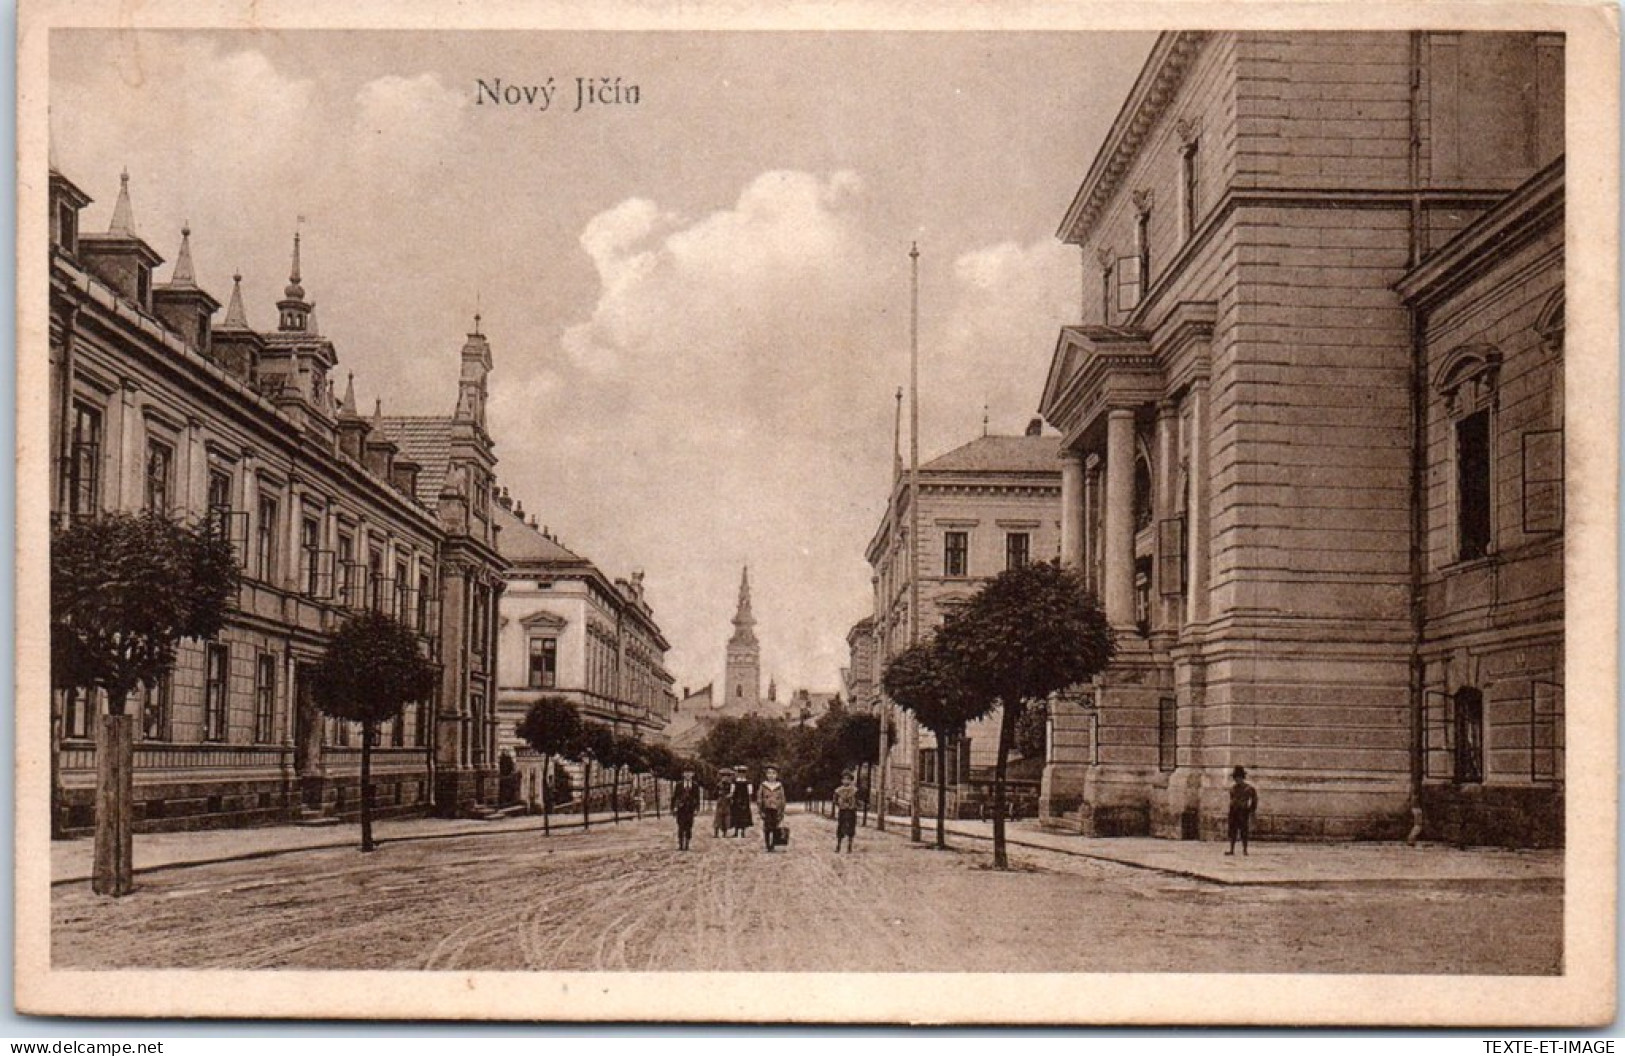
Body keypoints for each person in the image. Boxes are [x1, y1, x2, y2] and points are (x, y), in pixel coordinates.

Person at [1226, 765, 1258, 856]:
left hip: (1243, 812)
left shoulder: (1249, 789)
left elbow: (1254, 800)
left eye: (1239, 777)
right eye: (1235, 777)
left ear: (1242, 777)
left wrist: (1251, 810)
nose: (1237, 779)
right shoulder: (1233, 788)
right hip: (1233, 812)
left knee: (1244, 831)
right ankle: (1232, 849)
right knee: (1232, 831)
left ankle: (1245, 849)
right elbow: (1231, 799)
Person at [757, 765, 788, 851]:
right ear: (766, 775)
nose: (771, 775)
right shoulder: (763, 785)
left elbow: (782, 798)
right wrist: (760, 810)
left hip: (776, 809)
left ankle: (773, 844)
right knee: (767, 827)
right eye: (769, 773)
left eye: (773, 773)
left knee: (775, 827)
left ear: (776, 775)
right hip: (766, 809)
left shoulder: (779, 786)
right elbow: (759, 797)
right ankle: (767, 844)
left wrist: (782, 810)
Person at [672, 768, 702, 850]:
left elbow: (698, 798)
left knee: (689, 826)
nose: (688, 775)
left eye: (690, 773)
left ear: (693, 774)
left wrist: (697, 809)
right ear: (683, 774)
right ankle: (681, 844)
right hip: (681, 809)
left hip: (690, 809)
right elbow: (674, 797)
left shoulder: (695, 785)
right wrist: (674, 807)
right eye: (686, 773)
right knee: (680, 826)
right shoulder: (679, 785)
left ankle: (687, 843)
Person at [832, 769, 860, 852]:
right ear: (841, 780)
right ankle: (838, 845)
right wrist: (839, 804)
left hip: (851, 811)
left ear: (851, 780)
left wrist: (855, 805)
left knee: (851, 827)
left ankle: (849, 846)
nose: (846, 781)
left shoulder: (854, 790)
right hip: (843, 811)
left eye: (848, 779)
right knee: (840, 826)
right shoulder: (838, 790)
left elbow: (857, 800)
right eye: (844, 779)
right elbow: (835, 800)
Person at [729, 767, 754, 837]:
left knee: (744, 816)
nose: (741, 774)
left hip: (744, 801)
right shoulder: (734, 781)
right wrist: (731, 798)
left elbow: (750, 792)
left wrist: (749, 800)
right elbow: (732, 791)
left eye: (743, 772)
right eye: (740, 772)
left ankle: (743, 832)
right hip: (736, 800)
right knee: (736, 815)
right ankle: (736, 832)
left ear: (745, 773)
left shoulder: (748, 782)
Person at [713, 768, 734, 837]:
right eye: (723, 776)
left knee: (726, 817)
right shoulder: (719, 785)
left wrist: (730, 796)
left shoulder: (731, 785)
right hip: (720, 802)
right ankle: (716, 833)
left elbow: (733, 793)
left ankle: (724, 832)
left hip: (727, 802)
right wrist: (719, 793)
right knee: (718, 817)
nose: (725, 777)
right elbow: (714, 794)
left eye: (727, 776)